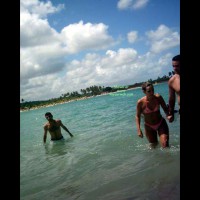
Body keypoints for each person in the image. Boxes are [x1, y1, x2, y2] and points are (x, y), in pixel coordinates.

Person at [135, 82, 171, 148]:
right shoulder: (140, 102)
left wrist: (168, 115)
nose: (152, 93)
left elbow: (165, 109)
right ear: (144, 92)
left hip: (161, 123)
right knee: (154, 147)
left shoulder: (158, 97)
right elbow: (137, 116)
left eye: (153, 90)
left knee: (165, 144)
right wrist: (139, 130)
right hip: (149, 127)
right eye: (149, 91)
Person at [168, 54, 180, 122]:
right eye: (173, 66)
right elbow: (171, 100)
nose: (174, 68)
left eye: (177, 66)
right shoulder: (172, 81)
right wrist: (171, 113)